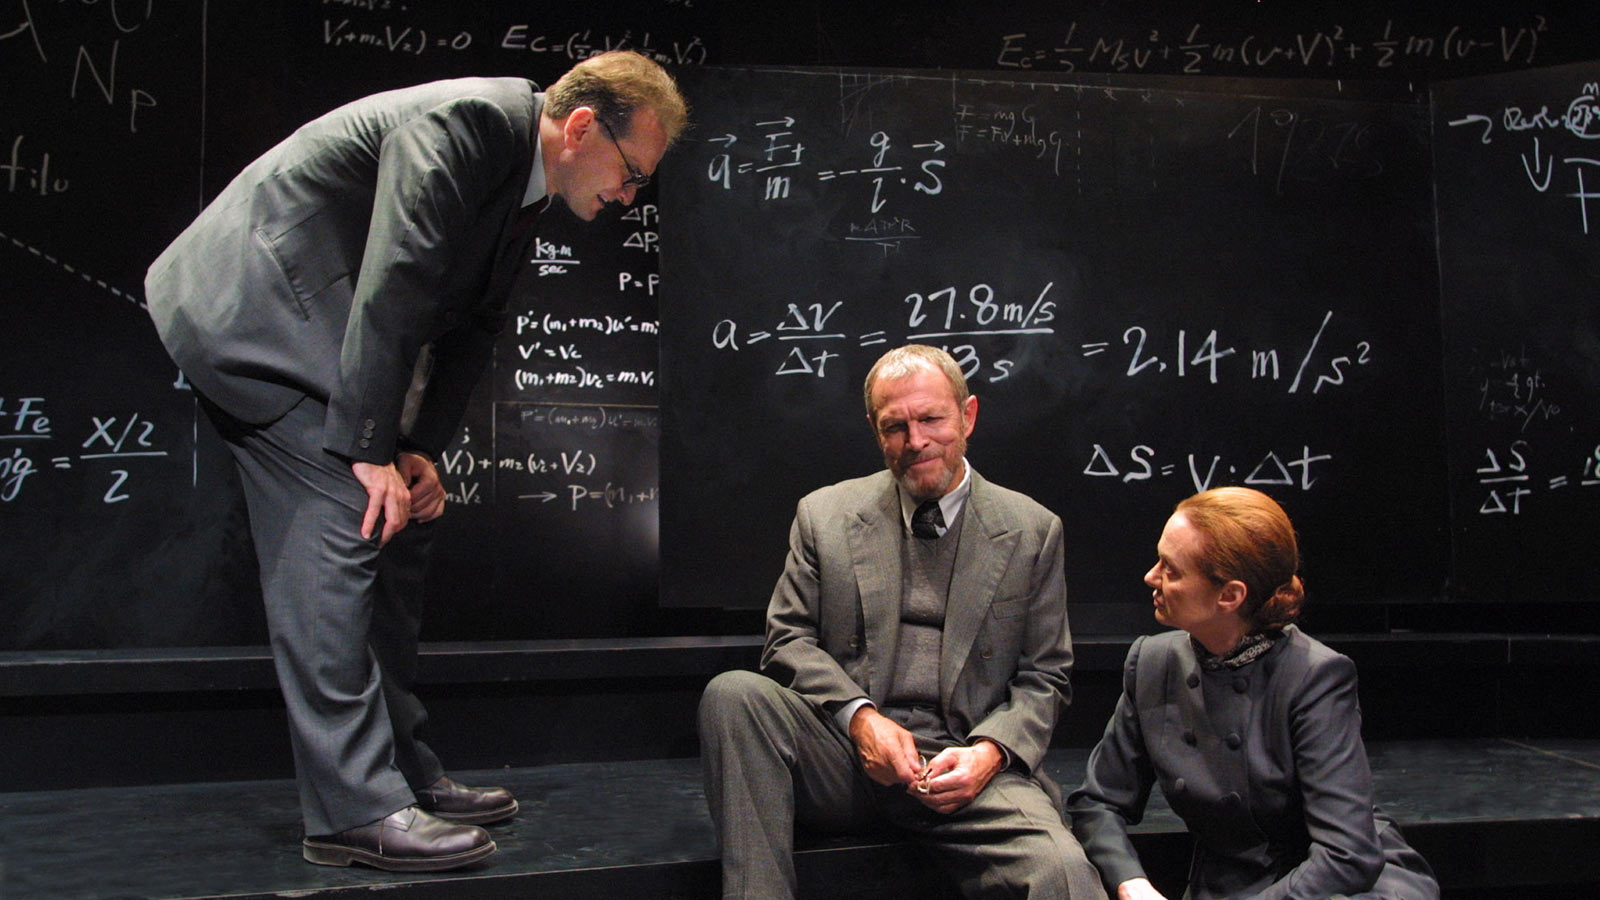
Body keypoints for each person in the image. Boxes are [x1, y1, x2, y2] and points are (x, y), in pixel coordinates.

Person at [143, 52, 687, 871]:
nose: (631, 197)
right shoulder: (470, 123)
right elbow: (397, 269)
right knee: (347, 505)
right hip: (252, 309)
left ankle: (400, 772)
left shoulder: (527, 183)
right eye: (633, 172)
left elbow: (475, 325)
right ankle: (353, 809)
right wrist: (368, 450)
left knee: (404, 516)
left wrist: (418, 449)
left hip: (314, 323)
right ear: (582, 128)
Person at [698, 344, 1107, 900]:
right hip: (847, 761)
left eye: (932, 419)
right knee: (734, 696)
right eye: (896, 427)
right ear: (875, 430)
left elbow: (1046, 677)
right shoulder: (826, 515)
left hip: (967, 768)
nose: (915, 441)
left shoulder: (1031, 530)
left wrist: (988, 754)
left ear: (968, 416)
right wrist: (861, 719)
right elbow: (788, 640)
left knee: (1064, 872)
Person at [1066, 487, 1439, 900]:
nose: (1151, 577)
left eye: (1171, 570)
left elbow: (1346, 854)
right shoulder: (1154, 663)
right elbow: (1098, 803)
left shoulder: (1314, 676)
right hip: (1228, 882)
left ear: (1230, 595)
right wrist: (1132, 884)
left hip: (1335, 888)